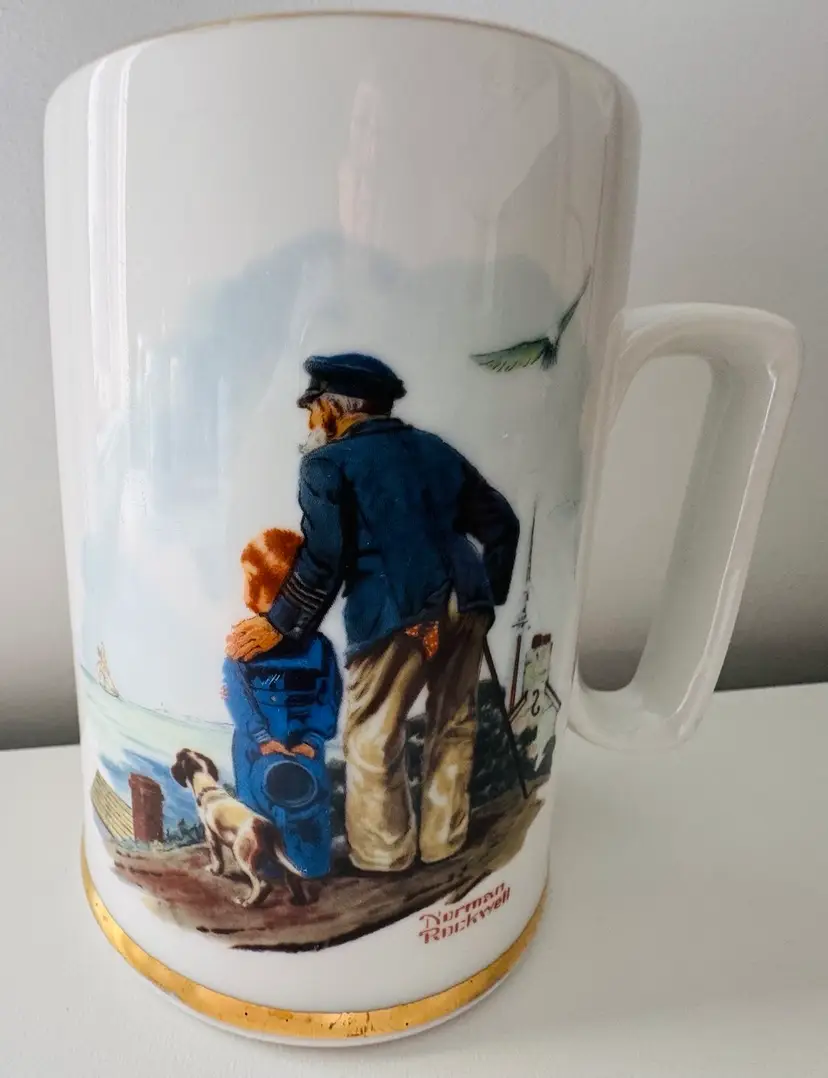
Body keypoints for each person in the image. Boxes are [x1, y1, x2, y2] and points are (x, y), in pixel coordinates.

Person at [226, 353, 519, 872]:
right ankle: (443, 845)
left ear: (336, 408)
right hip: (467, 601)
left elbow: (324, 559)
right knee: (454, 723)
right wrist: (486, 594)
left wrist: (278, 624)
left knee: (372, 737)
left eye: (313, 407)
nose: (311, 419)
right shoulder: (437, 450)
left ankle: (385, 857)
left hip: (394, 610)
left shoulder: (325, 465)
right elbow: (502, 525)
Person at [222, 528, 341, 879]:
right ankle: (265, 869)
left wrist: (313, 739)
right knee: (255, 808)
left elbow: (328, 696)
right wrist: (261, 738)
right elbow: (238, 695)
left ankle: (310, 865)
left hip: (304, 743)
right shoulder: (244, 643)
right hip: (253, 745)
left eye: (254, 583)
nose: (246, 594)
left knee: (309, 802)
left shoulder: (318, 648)